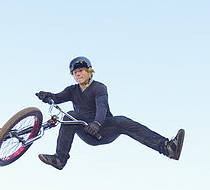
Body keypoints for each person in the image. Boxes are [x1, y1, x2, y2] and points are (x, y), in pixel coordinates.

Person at [35, 56, 185, 170]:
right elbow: (57, 98)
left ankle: (168, 148)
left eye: (80, 71)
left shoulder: (99, 88)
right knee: (71, 115)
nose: (78, 74)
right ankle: (60, 159)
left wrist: (97, 123)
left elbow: (102, 106)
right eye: (75, 72)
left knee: (122, 121)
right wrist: (47, 96)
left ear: (88, 71)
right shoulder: (72, 90)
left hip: (103, 129)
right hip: (85, 129)